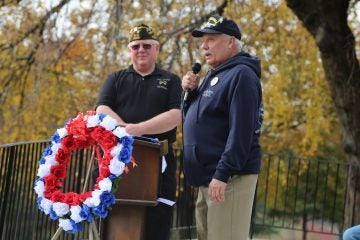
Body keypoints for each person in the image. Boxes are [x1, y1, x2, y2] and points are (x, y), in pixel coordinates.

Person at [96, 23, 182, 240]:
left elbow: (176, 116)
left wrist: (138, 130)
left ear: (157, 49)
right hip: (119, 163)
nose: (141, 50)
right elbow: (102, 109)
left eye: (146, 45)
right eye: (135, 46)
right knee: (117, 221)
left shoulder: (171, 81)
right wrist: (125, 130)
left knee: (157, 220)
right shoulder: (116, 79)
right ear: (129, 50)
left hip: (159, 162)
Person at [181, 15, 263, 240]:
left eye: (211, 39)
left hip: (229, 177)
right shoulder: (213, 75)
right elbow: (193, 120)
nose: (204, 45)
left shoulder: (242, 75)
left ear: (230, 41)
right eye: (202, 41)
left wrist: (223, 172)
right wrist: (188, 96)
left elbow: (242, 131)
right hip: (208, 176)